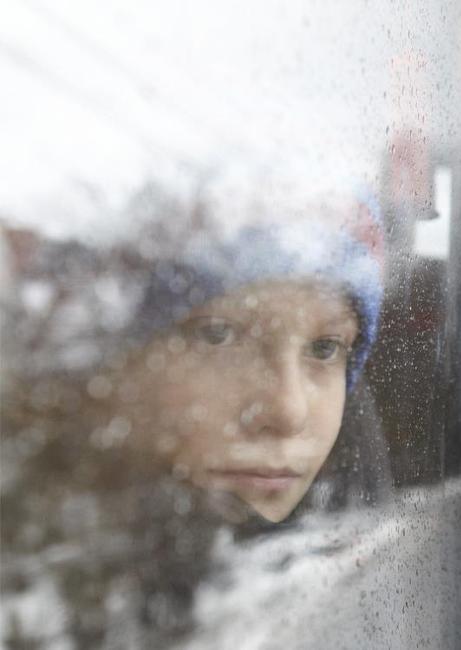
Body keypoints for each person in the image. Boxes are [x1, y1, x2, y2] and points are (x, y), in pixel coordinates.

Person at [0, 167, 390, 646]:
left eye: (325, 348)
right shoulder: (36, 585)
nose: (287, 410)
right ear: (111, 363)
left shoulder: (354, 547)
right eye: (218, 335)